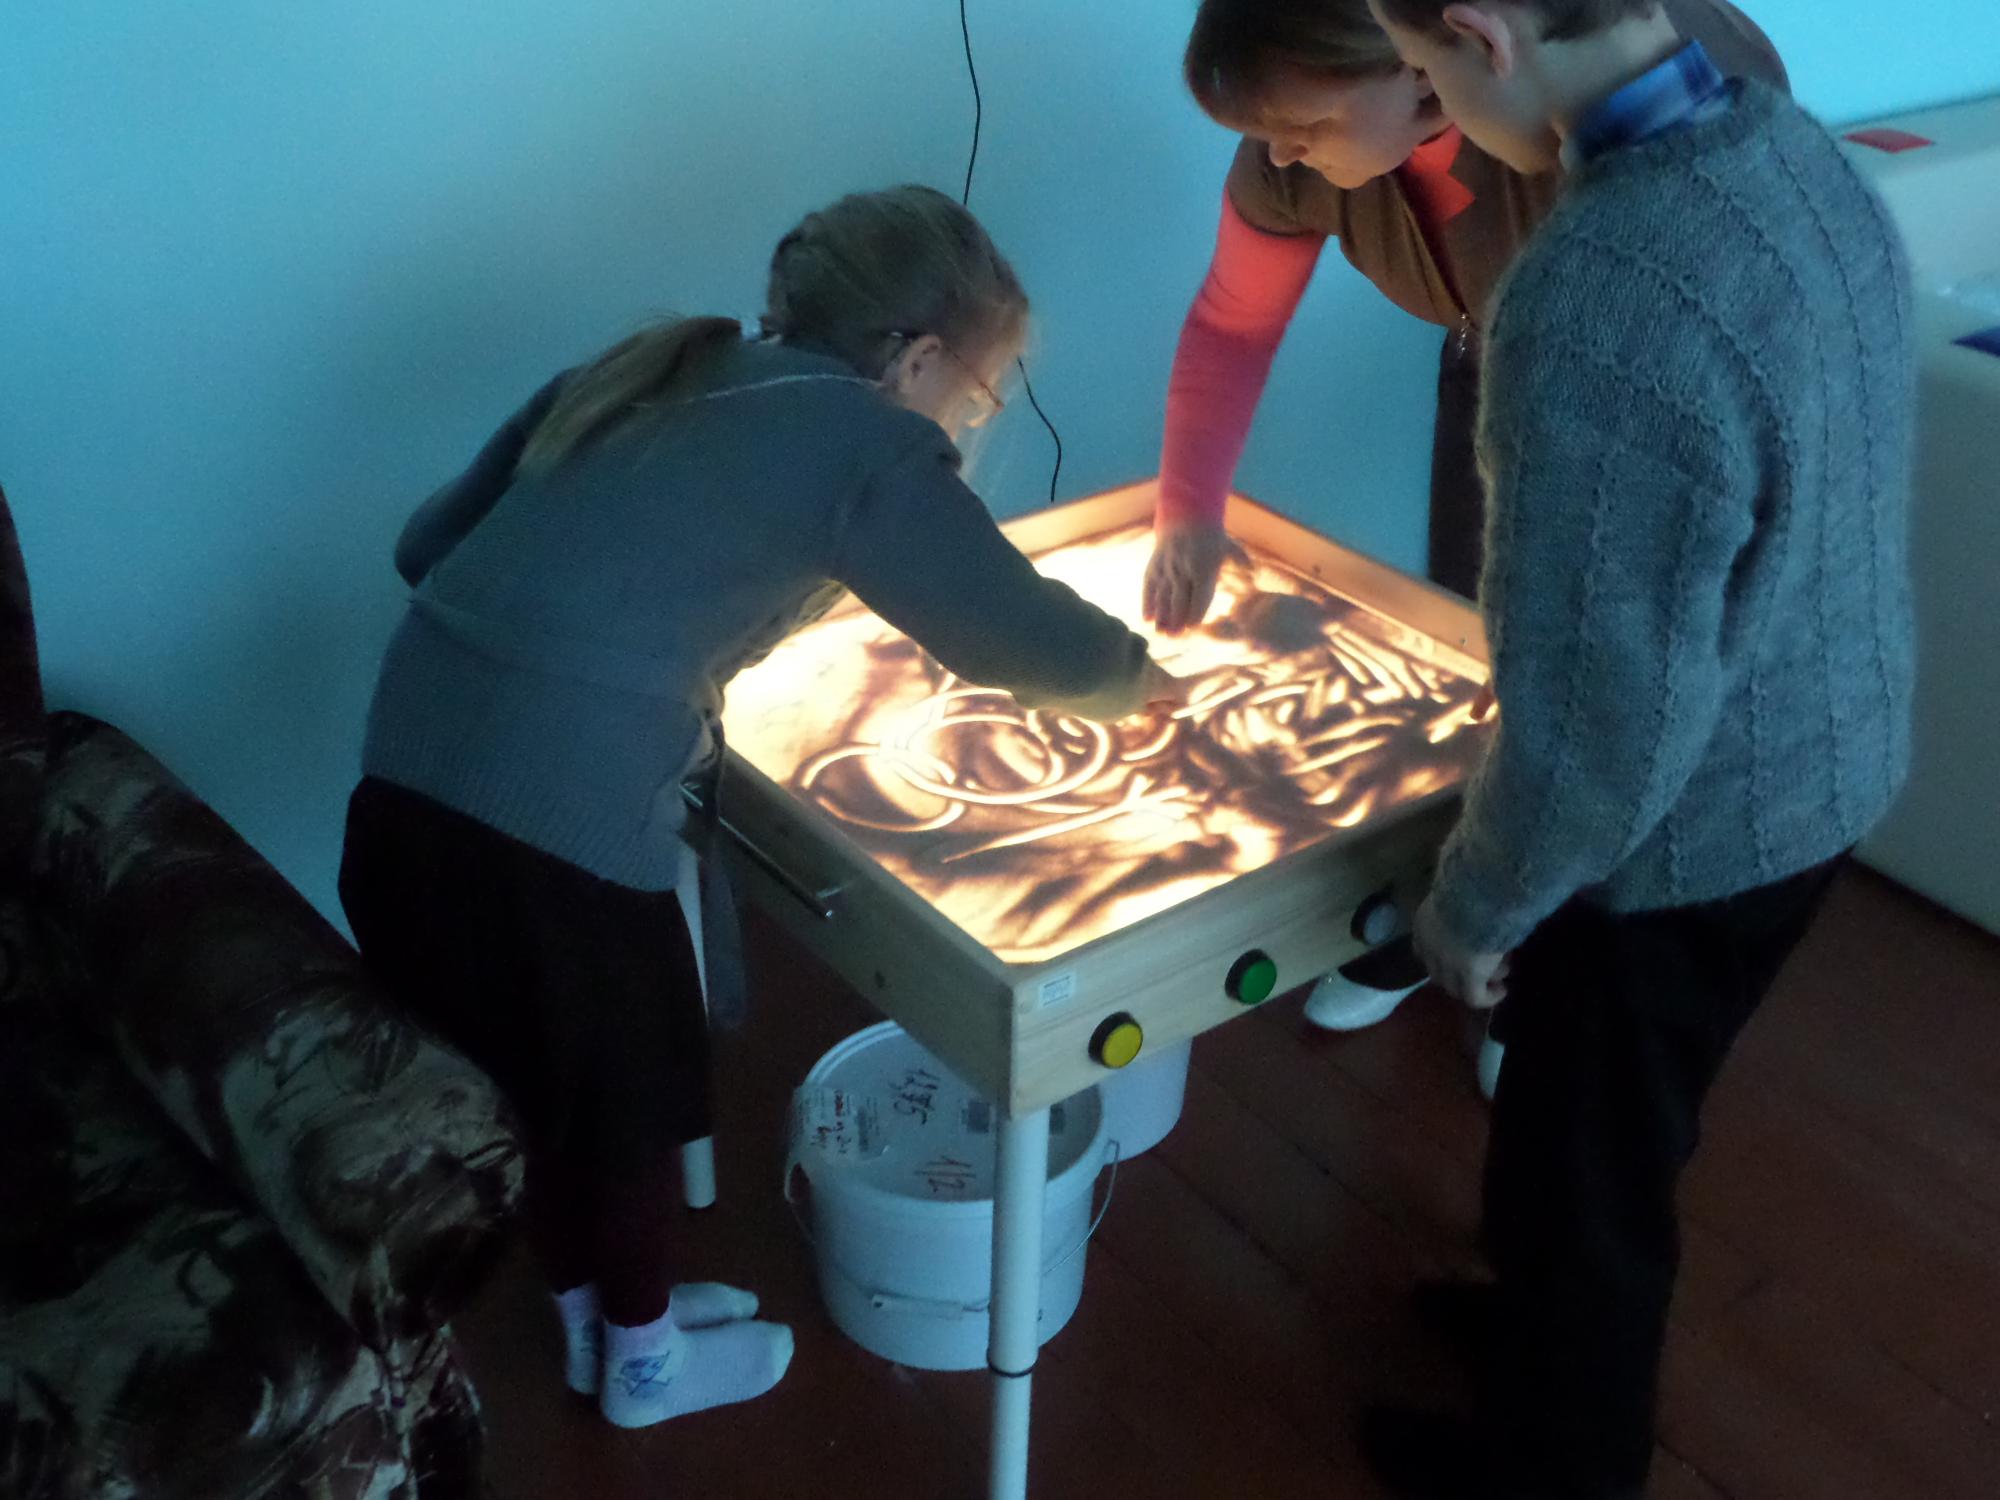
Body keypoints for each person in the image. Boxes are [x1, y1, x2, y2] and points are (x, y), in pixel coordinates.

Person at [337, 185, 1181, 1432]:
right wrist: (1144, 682)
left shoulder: (646, 368)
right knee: (618, 1100)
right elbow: (1011, 634)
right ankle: (644, 1366)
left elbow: (427, 549)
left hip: (400, 785)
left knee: (536, 1086)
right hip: (551, 831)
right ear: (918, 358)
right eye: (978, 395)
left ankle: (596, 1321)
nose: (967, 420)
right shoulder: (863, 436)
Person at [1356, 0, 1916, 1494]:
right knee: (1603, 1128)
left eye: (1420, 69)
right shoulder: (1792, 150)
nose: (1427, 101)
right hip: (1827, 758)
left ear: (1481, 32)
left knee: (1583, 1174)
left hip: (1690, 836)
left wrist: (1477, 904)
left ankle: (1559, 1463)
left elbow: (1603, 715)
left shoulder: (1595, 295)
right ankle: (1538, 1331)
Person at [1145, 0, 1786, 1032]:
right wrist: (1188, 510)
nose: (1279, 151)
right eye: (1264, 131)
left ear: (1415, 70)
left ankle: (1547, 982)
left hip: (1653, 408)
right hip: (1499, 363)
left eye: (1302, 125)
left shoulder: (1604, 129)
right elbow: (1231, 324)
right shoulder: (1296, 158)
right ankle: (1439, 914)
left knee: (1594, 689)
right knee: (1471, 642)